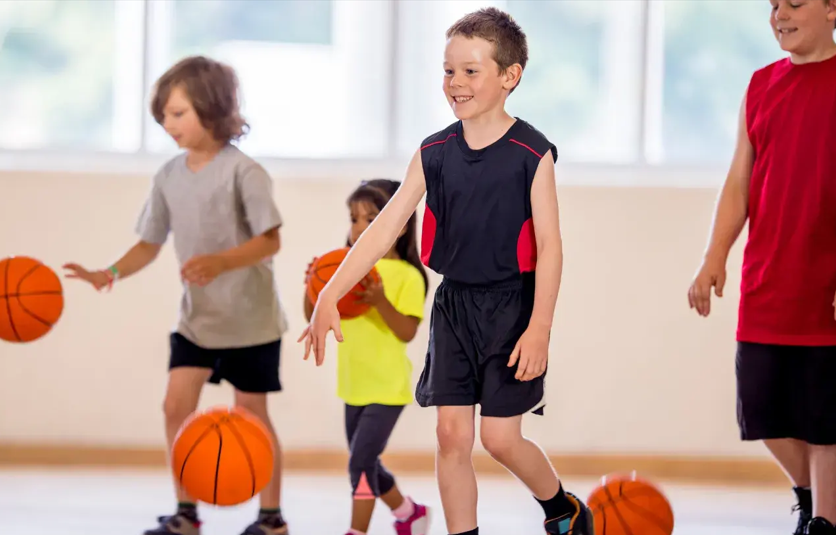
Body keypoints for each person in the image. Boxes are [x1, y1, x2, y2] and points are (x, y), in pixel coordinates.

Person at [300, 8, 593, 535]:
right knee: (451, 435)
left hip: (513, 308)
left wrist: (540, 328)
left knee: (500, 438)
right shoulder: (433, 152)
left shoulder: (532, 153)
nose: (455, 82)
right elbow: (384, 230)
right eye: (448, 70)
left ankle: (561, 507)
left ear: (510, 76)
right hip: (454, 306)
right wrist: (328, 295)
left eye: (470, 71)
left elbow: (551, 247)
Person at [63, 56, 290, 535]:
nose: (168, 124)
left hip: (251, 322)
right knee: (174, 407)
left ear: (213, 109)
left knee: (252, 416)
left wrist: (221, 261)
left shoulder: (244, 172)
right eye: (163, 115)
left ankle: (271, 518)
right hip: (197, 321)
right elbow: (149, 243)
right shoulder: (168, 176)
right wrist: (107, 273)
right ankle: (186, 512)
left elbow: (270, 241)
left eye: (178, 113)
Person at [687, 1, 836, 534]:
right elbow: (739, 182)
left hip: (826, 289)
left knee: (824, 422)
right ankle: (812, 500)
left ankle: (823, 521)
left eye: (794, 3)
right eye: (773, 5)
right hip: (767, 281)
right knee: (763, 412)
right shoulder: (760, 86)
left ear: (831, 8)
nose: (779, 15)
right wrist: (714, 256)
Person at [304, 179, 432, 535]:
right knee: (367, 462)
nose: (359, 227)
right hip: (353, 385)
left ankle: (356, 531)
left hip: (387, 389)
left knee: (359, 464)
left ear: (399, 224)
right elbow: (313, 315)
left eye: (371, 219)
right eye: (354, 219)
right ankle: (409, 513)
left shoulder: (409, 276)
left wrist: (380, 301)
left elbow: (406, 332)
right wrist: (313, 285)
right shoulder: (344, 269)